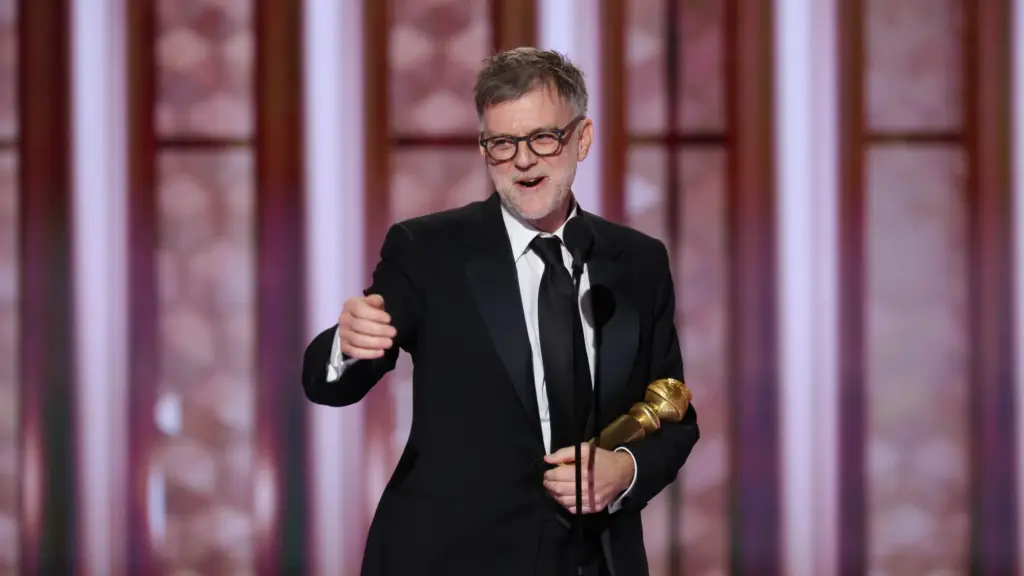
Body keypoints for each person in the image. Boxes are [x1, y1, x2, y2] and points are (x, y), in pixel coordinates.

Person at [301, 47, 699, 576]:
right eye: (503, 144)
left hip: (595, 560)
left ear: (582, 139)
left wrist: (623, 471)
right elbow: (331, 384)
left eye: (543, 138)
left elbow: (673, 415)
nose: (523, 160)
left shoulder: (639, 262)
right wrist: (345, 345)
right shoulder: (430, 250)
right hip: (450, 558)